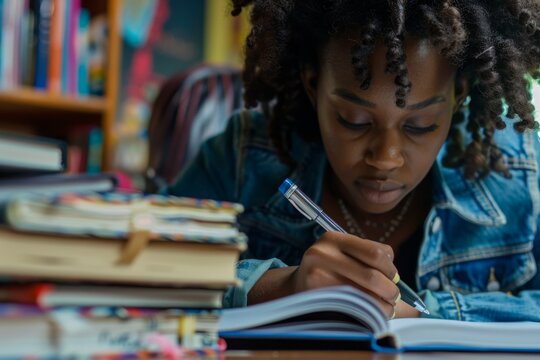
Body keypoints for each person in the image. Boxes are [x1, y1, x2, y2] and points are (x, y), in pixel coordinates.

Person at [165, 0, 540, 321]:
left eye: (420, 125)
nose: (385, 159)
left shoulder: (521, 171)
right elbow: (148, 268)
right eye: (354, 121)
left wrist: (431, 312)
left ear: (458, 95)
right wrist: (277, 287)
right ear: (313, 86)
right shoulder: (243, 155)